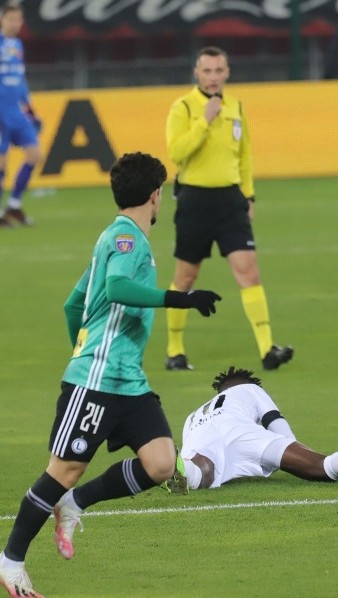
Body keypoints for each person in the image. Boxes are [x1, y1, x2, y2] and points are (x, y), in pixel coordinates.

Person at [0, 152, 222, 598]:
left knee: (160, 463)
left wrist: (81, 348)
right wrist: (182, 299)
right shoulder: (127, 241)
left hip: (128, 382)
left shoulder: (112, 237)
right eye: (162, 194)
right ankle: (10, 561)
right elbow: (119, 288)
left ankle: (75, 504)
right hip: (98, 382)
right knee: (64, 469)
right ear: (155, 196)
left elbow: (72, 303)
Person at [165, 46, 293, 372]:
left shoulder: (236, 106)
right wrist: (203, 122)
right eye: (206, 71)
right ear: (196, 73)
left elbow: (245, 155)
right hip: (195, 200)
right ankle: (174, 350)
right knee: (185, 277)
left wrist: (248, 196)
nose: (212, 77)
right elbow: (176, 152)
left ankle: (267, 350)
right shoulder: (183, 108)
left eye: (218, 71)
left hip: (230, 202)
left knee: (249, 271)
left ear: (227, 72)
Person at [164, 366, 338, 493]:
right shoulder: (249, 389)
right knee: (320, 465)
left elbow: (196, 449)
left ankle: (177, 469)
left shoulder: (193, 416)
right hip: (241, 432)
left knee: (203, 472)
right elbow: (279, 427)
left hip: (198, 440)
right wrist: (293, 454)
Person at [0, 3, 42, 228]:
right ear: (2, 20)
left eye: (18, 20)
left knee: (35, 155)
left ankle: (14, 205)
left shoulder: (17, 44)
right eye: (11, 19)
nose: (15, 24)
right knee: (0, 164)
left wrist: (30, 106)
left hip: (16, 111)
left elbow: (20, 79)